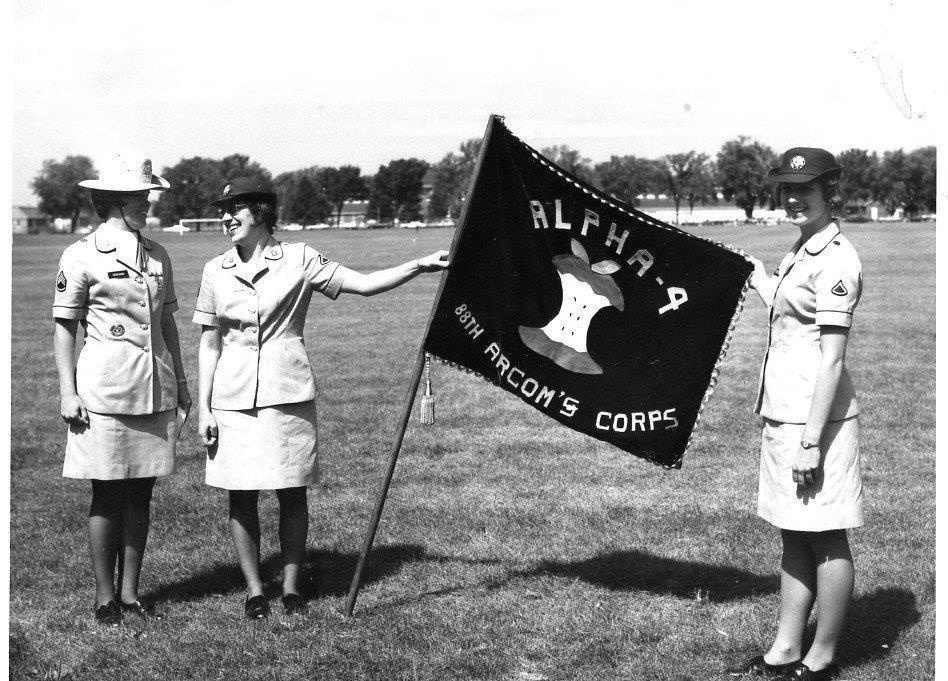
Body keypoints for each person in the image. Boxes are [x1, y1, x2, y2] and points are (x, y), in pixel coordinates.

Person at [194, 178, 449, 619]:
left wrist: (420, 264)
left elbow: (364, 284)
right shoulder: (215, 269)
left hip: (286, 391)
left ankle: (292, 589)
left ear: (260, 212)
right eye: (222, 210)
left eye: (233, 209)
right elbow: (209, 342)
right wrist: (203, 406)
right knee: (240, 495)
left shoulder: (300, 258)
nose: (225, 218)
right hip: (231, 397)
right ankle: (255, 590)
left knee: (291, 491)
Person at [728, 148, 863, 681]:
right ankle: (787, 646)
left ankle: (823, 653)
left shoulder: (836, 259)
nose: (791, 198)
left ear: (831, 194)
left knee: (826, 534)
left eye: (804, 190)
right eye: (785, 188)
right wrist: (757, 276)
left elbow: (832, 357)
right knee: (792, 530)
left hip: (818, 421)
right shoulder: (805, 248)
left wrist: (811, 441)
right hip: (785, 413)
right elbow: (791, 311)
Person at [53, 153, 191, 625]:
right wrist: (67, 392)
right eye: (139, 197)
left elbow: (167, 321)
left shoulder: (157, 254)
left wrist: (183, 381)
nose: (148, 205)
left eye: (147, 197)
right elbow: (64, 328)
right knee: (107, 493)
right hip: (103, 392)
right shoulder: (82, 254)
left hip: (153, 388)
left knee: (142, 493)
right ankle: (105, 595)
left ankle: (132, 592)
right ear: (112, 201)